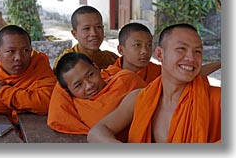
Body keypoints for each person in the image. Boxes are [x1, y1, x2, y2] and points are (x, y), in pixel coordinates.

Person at [87, 23, 221, 143]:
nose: (191, 58)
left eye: (197, 51)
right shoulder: (140, 98)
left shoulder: (217, 99)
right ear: (160, 54)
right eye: (181, 48)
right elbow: (97, 131)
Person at [47, 52, 146, 138]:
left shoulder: (125, 80)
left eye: (90, 75)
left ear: (96, 67)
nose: (89, 86)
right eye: (78, 85)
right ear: (68, 91)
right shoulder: (75, 107)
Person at [0, 25, 57, 122]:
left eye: (26, 51)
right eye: (11, 51)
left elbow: (48, 102)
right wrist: (29, 105)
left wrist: (2, 92)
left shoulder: (38, 64)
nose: (19, 58)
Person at [101, 22, 221, 85]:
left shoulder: (156, 71)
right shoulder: (108, 77)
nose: (145, 51)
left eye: (149, 45)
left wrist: (221, 63)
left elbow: (194, 73)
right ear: (121, 50)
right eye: (137, 45)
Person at [53, 5, 118, 71]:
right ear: (74, 34)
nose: (94, 33)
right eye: (86, 28)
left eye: (98, 27)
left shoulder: (111, 58)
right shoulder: (65, 63)